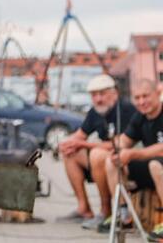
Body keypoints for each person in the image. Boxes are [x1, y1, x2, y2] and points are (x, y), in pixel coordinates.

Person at [55, 74, 136, 230]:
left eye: (102, 94)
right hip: (105, 158)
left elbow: (120, 144)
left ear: (114, 93)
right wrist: (66, 144)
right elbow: (79, 135)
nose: (98, 99)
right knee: (71, 154)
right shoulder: (95, 112)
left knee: (97, 154)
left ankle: (105, 211)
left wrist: (81, 143)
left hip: (127, 159)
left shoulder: (125, 109)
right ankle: (84, 208)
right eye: (94, 95)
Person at [102, 78, 163, 236]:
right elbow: (125, 140)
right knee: (112, 163)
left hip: (158, 167)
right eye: (137, 98)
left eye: (146, 96)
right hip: (152, 167)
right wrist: (117, 148)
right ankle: (124, 216)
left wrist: (134, 153)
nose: (142, 101)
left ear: (158, 93)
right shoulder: (139, 117)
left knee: (155, 166)